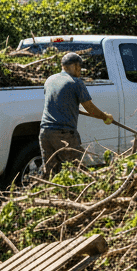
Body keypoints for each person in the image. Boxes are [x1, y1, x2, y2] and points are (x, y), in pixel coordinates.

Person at [39, 51, 114, 179]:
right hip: (64, 134)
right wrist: (105, 117)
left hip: (45, 133)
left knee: (49, 173)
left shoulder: (50, 80)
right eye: (79, 68)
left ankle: (46, 195)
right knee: (77, 171)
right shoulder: (75, 82)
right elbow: (90, 108)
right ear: (74, 66)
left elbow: (59, 103)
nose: (80, 71)